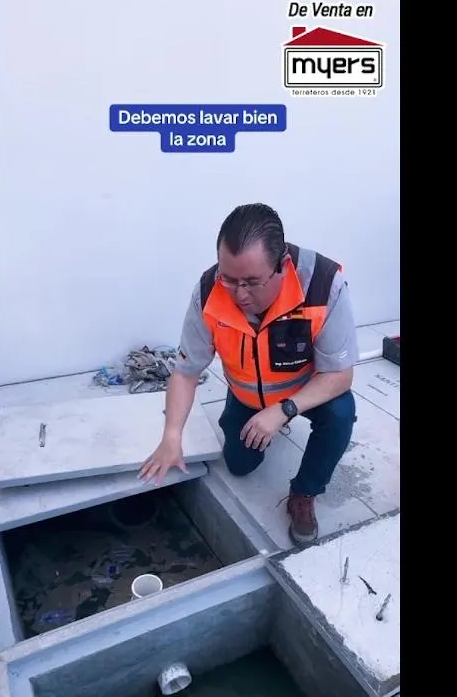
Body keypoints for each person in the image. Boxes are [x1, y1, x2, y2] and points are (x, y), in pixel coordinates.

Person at [137, 203, 359, 545]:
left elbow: (340, 375)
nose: (239, 294)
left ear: (282, 265)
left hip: (304, 392)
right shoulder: (209, 291)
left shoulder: (323, 285)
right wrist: (172, 436)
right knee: (239, 465)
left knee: (341, 411)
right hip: (247, 395)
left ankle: (304, 493)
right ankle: (252, 417)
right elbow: (185, 373)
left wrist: (283, 410)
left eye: (252, 282)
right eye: (229, 279)